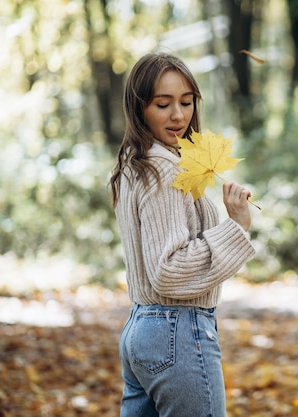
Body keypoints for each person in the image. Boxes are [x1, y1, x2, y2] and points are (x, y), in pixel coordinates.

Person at [109, 52, 256, 417]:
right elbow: (169, 270)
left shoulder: (136, 164)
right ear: (139, 108)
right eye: (163, 104)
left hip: (141, 331)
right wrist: (236, 227)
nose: (178, 115)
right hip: (177, 331)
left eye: (186, 102)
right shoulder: (164, 171)